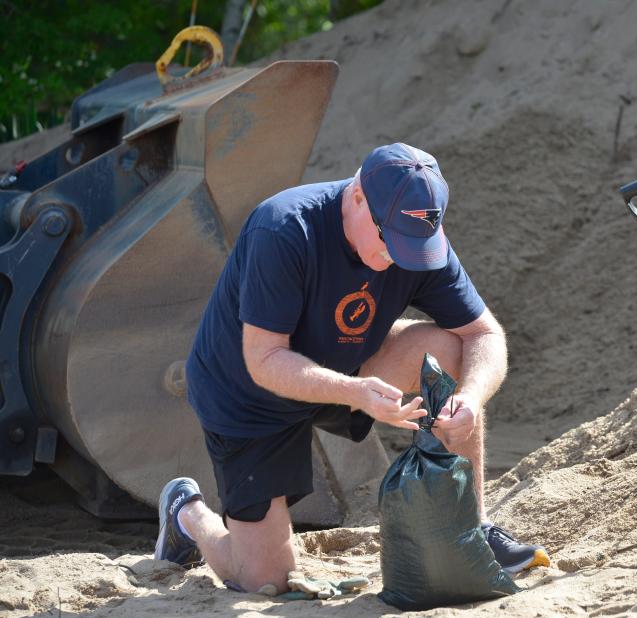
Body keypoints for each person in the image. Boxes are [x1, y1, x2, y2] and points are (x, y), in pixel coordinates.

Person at [154, 143, 549, 593]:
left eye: (415, 246)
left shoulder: (415, 236)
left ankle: (473, 527)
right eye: (390, 241)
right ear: (357, 196)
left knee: (449, 353)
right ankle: (187, 514)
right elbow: (264, 361)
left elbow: (484, 335)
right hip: (249, 396)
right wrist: (354, 393)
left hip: (350, 364)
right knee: (265, 580)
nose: (399, 258)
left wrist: (472, 398)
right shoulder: (283, 229)